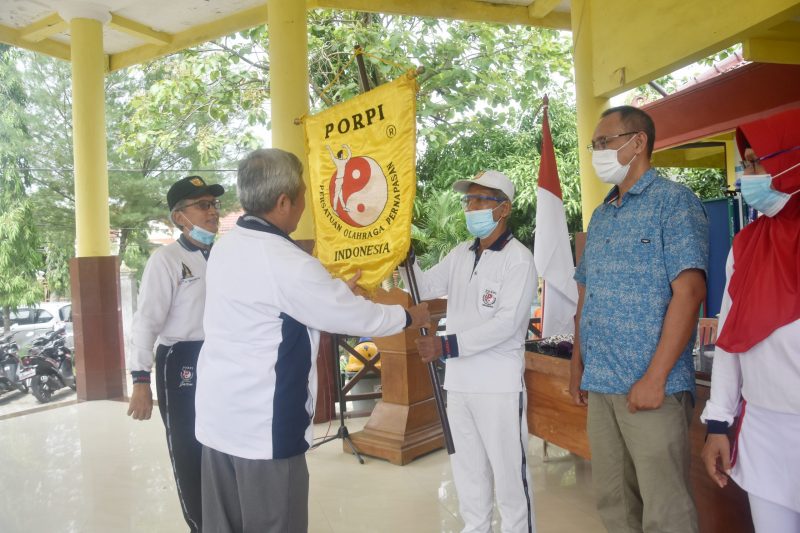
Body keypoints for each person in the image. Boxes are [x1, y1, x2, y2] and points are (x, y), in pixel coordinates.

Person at [194, 148, 430, 533]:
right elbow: (353, 315)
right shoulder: (287, 263)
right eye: (303, 194)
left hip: (218, 421)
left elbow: (286, 304)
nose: (306, 204)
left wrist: (331, 291)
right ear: (283, 201)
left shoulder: (226, 247)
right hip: (263, 429)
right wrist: (407, 316)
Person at [568, 105, 708, 533]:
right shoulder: (602, 214)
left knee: (664, 510)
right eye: (595, 145)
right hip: (602, 384)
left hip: (653, 388)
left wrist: (655, 377)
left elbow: (690, 293)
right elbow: (585, 297)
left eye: (603, 142)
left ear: (637, 142)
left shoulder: (674, 202)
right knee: (614, 503)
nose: (597, 152)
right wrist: (578, 366)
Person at [406, 170, 537, 533]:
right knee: (468, 474)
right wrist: (408, 258)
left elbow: (507, 324)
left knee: (510, 479)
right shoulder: (460, 254)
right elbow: (425, 285)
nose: (470, 208)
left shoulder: (519, 259)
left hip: (499, 387)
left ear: (504, 209)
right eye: (468, 200)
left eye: (480, 200)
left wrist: (446, 345)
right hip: (459, 385)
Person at [700, 109, 800, 532]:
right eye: (746, 163)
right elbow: (731, 338)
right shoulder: (745, 244)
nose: (747, 175)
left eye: (758, 162)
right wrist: (718, 424)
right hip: (764, 428)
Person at [126, 175, 225, 532]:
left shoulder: (226, 255)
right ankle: (201, 525)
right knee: (190, 450)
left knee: (223, 445)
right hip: (181, 361)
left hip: (222, 358)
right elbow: (146, 321)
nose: (213, 211)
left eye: (214, 204)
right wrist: (140, 380)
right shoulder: (166, 261)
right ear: (179, 217)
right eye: (203, 205)